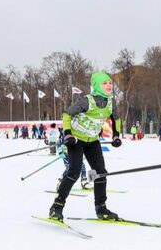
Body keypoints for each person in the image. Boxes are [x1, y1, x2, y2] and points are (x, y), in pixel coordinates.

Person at [49, 71, 123, 221]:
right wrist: (68, 134)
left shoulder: (110, 103)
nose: (109, 85)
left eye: (110, 83)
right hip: (76, 140)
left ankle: (101, 209)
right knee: (74, 172)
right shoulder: (86, 101)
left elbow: (116, 119)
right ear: (96, 85)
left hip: (92, 141)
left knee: (100, 173)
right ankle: (56, 207)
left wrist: (116, 135)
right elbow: (67, 114)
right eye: (105, 83)